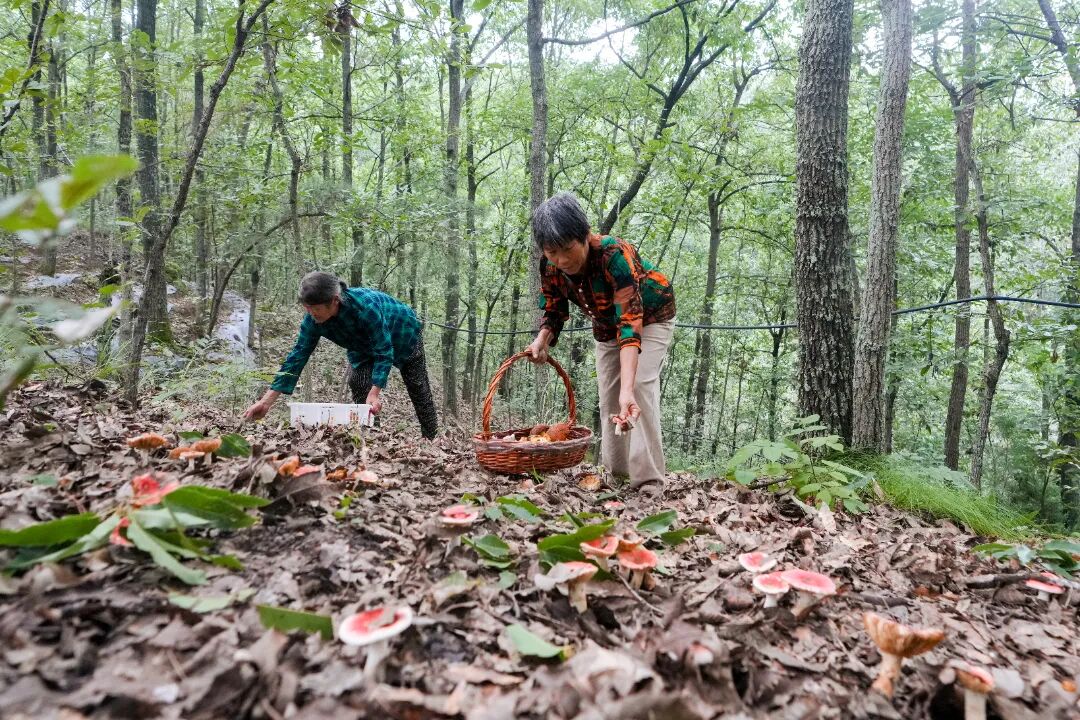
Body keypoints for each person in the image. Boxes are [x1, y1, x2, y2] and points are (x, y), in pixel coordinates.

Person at [525, 193, 676, 489]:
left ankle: (649, 482)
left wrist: (628, 389)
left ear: (584, 236)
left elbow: (630, 325)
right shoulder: (550, 265)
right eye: (552, 252)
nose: (562, 260)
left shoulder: (614, 255)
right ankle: (616, 475)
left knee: (639, 387)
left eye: (568, 249)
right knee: (609, 393)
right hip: (606, 325)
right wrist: (542, 338)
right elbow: (554, 308)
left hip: (651, 315)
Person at [243, 272, 438, 438]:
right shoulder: (312, 321)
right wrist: (265, 402)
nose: (311, 314)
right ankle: (372, 437)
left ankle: (431, 438)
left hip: (402, 332)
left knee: (418, 386)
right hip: (361, 345)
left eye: (316, 309)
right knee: (359, 381)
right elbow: (297, 357)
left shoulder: (365, 308)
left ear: (334, 301)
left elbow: (384, 350)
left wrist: (375, 392)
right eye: (307, 308)